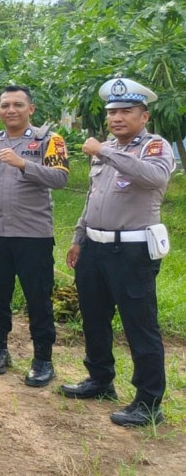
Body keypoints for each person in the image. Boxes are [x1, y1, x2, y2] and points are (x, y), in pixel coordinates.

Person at [61, 77, 175, 427]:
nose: (117, 118)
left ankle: (148, 401)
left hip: (132, 250)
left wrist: (104, 151)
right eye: (112, 112)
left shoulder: (154, 147)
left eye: (126, 111)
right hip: (94, 246)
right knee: (94, 317)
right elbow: (94, 197)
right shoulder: (107, 146)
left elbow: (154, 178)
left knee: (139, 325)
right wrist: (79, 238)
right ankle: (99, 379)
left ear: (144, 115)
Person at [0, 84, 68, 388]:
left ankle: (43, 360)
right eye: (5, 105)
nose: (11, 110)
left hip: (33, 236)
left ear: (30, 109)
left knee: (38, 299)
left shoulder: (49, 140)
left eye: (18, 105)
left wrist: (24, 164)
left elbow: (61, 178)